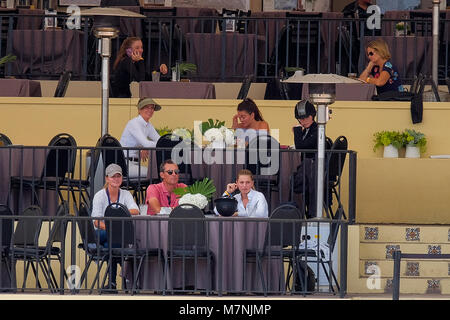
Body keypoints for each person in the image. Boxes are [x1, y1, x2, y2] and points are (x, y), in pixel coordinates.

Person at [91, 163, 139, 291]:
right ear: (107, 178)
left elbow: (136, 210)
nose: (116, 179)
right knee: (113, 239)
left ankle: (111, 283)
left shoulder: (125, 194)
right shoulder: (99, 195)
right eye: (113, 176)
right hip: (101, 233)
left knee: (110, 246)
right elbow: (96, 222)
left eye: (118, 176)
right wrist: (114, 228)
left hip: (116, 237)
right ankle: (127, 278)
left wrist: (118, 219)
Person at [120, 97, 161, 178]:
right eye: (146, 107)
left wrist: (145, 146)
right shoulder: (134, 123)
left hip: (134, 164)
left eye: (152, 108)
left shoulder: (148, 125)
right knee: (155, 174)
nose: (150, 110)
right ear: (139, 110)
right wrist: (145, 146)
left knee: (158, 173)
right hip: (125, 165)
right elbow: (148, 143)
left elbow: (159, 140)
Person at [292, 100, 319, 219]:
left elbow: (301, 147)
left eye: (306, 117)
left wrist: (297, 132)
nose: (303, 121)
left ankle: (311, 214)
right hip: (309, 170)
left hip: (313, 171)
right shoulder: (308, 130)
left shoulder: (317, 129)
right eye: (300, 119)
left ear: (312, 116)